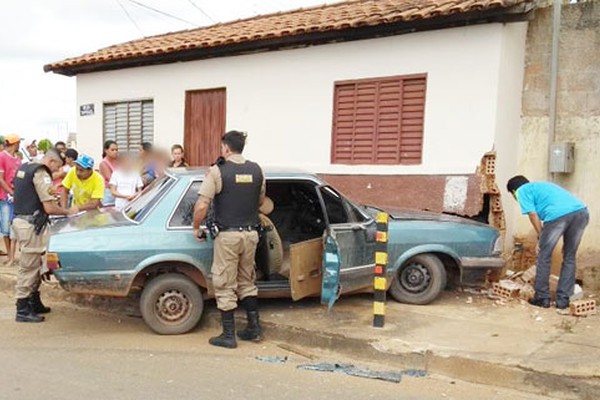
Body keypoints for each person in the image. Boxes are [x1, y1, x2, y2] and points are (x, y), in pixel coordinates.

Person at [193, 130, 265, 349]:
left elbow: (203, 204)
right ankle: (253, 329)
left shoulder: (217, 172)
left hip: (228, 236)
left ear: (225, 147)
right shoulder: (257, 169)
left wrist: (196, 227)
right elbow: (261, 201)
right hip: (251, 234)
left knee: (224, 282)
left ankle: (228, 335)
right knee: (247, 280)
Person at [507, 175, 589, 313]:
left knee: (544, 256)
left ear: (513, 191)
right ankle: (563, 301)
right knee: (569, 256)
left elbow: (533, 215)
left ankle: (542, 298)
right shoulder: (541, 186)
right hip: (581, 212)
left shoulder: (521, 191)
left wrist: (541, 235)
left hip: (558, 216)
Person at [12, 149, 77, 322]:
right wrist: (67, 211)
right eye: (57, 167)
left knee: (38, 264)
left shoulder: (25, 167)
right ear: (52, 161)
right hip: (32, 226)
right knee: (30, 266)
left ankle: (33, 300)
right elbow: (49, 208)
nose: (55, 171)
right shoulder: (41, 172)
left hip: (25, 222)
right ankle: (23, 308)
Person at [0, 134, 22, 265]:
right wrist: (11, 192)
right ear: (15, 143)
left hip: (15, 196)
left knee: (14, 227)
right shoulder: (2, 156)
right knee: (6, 228)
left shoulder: (18, 159)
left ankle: (12, 256)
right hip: (5, 197)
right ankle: (9, 255)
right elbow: (0, 179)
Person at [99, 140, 118, 206]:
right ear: (106, 151)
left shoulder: (118, 161)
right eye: (112, 150)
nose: (115, 152)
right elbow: (111, 179)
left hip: (118, 192)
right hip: (108, 193)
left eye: (116, 150)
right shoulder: (103, 163)